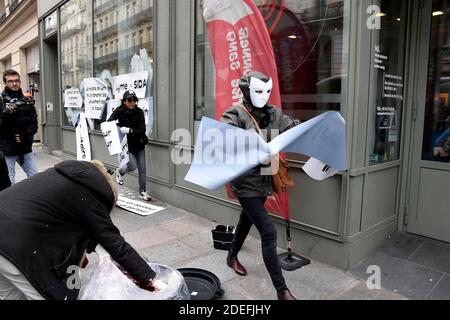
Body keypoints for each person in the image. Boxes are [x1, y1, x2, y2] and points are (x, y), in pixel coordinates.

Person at [0, 160, 166, 300]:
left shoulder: (64, 177)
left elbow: (79, 223)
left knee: (12, 296)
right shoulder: (92, 196)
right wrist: (150, 278)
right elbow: (116, 244)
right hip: (13, 246)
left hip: (7, 231)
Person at [221, 71, 300, 300]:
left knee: (247, 219)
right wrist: (248, 138)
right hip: (244, 181)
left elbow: (292, 127)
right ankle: (281, 291)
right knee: (268, 231)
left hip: (266, 178)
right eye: (258, 91)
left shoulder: (273, 113)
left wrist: (317, 128)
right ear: (246, 91)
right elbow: (223, 135)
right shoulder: (235, 113)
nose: (263, 96)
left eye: (267, 91)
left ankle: (232, 254)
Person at [108, 90, 151, 201]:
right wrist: (118, 127)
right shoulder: (119, 111)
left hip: (139, 144)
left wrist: (129, 130)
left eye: (134, 100)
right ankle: (120, 171)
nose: (132, 102)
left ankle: (142, 192)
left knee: (142, 170)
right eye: (130, 100)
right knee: (132, 166)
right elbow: (108, 123)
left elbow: (142, 129)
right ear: (124, 101)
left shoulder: (139, 112)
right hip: (126, 146)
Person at [0, 69, 38, 184]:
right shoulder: (1, 101)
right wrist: (6, 113)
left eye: (17, 80)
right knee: (8, 182)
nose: (14, 83)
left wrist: (24, 135)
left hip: (25, 148)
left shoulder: (26, 99)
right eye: (10, 81)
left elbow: (34, 123)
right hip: (7, 150)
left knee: (36, 179)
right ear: (5, 83)